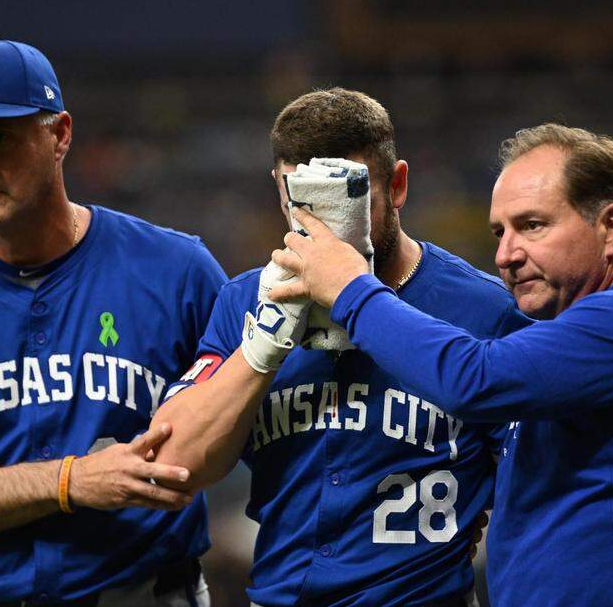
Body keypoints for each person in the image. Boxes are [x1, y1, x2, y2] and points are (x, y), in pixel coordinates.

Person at [268, 123, 613, 607]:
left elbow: (472, 379)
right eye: (498, 232)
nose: (505, 254)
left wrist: (352, 288)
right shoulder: (559, 349)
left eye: (532, 225)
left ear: (612, 227)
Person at [0, 38, 226, 607]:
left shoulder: (176, 270)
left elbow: (254, 431)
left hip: (148, 591)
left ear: (60, 135)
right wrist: (69, 482)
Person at [150, 88, 529, 607]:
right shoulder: (243, 302)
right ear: (279, 191)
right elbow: (175, 463)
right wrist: (262, 344)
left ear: (397, 186)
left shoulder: (487, 311)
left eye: (349, 198)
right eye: (303, 201)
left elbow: (536, 492)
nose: (325, 229)